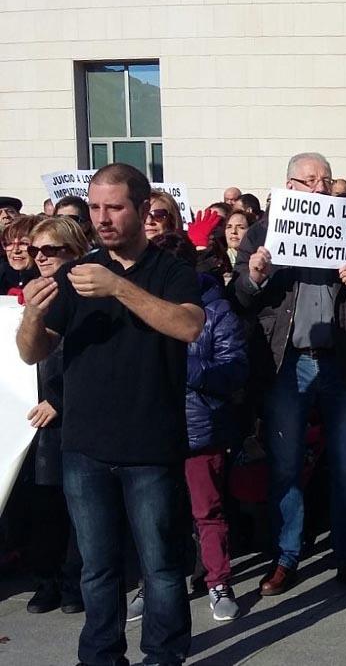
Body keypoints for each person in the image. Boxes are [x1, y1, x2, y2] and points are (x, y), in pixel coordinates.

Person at [16, 162, 204, 666]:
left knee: (161, 566)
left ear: (143, 211)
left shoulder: (171, 271)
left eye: (114, 207)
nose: (102, 218)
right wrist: (32, 313)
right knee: (97, 569)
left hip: (150, 445)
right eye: (95, 207)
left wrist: (119, 287)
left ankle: (163, 656)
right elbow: (32, 352)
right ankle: (100, 656)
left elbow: (188, 326)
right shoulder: (77, 275)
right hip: (85, 447)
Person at [233, 151, 346, 597]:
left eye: (326, 180)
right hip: (287, 365)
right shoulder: (263, 233)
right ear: (290, 187)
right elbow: (240, 298)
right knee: (285, 465)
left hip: (343, 362)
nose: (320, 188)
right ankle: (286, 556)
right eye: (310, 180)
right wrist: (256, 277)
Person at [153, 232, 248, 622]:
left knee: (206, 509)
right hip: (151, 427)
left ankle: (218, 581)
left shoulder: (217, 311)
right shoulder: (141, 307)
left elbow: (235, 370)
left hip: (199, 427)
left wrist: (185, 367)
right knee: (154, 514)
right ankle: (154, 583)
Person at [20, 217, 90, 616]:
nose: (40, 258)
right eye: (35, 251)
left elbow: (92, 360)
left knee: (77, 506)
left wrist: (59, 402)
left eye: (50, 250)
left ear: (73, 250)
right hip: (30, 420)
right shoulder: (31, 294)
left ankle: (72, 582)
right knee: (43, 506)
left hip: (69, 416)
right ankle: (45, 581)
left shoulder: (85, 293)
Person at [2, 215, 43, 296]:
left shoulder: (52, 280)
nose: (15, 250)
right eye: (9, 243)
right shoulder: (3, 275)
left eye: (23, 243)